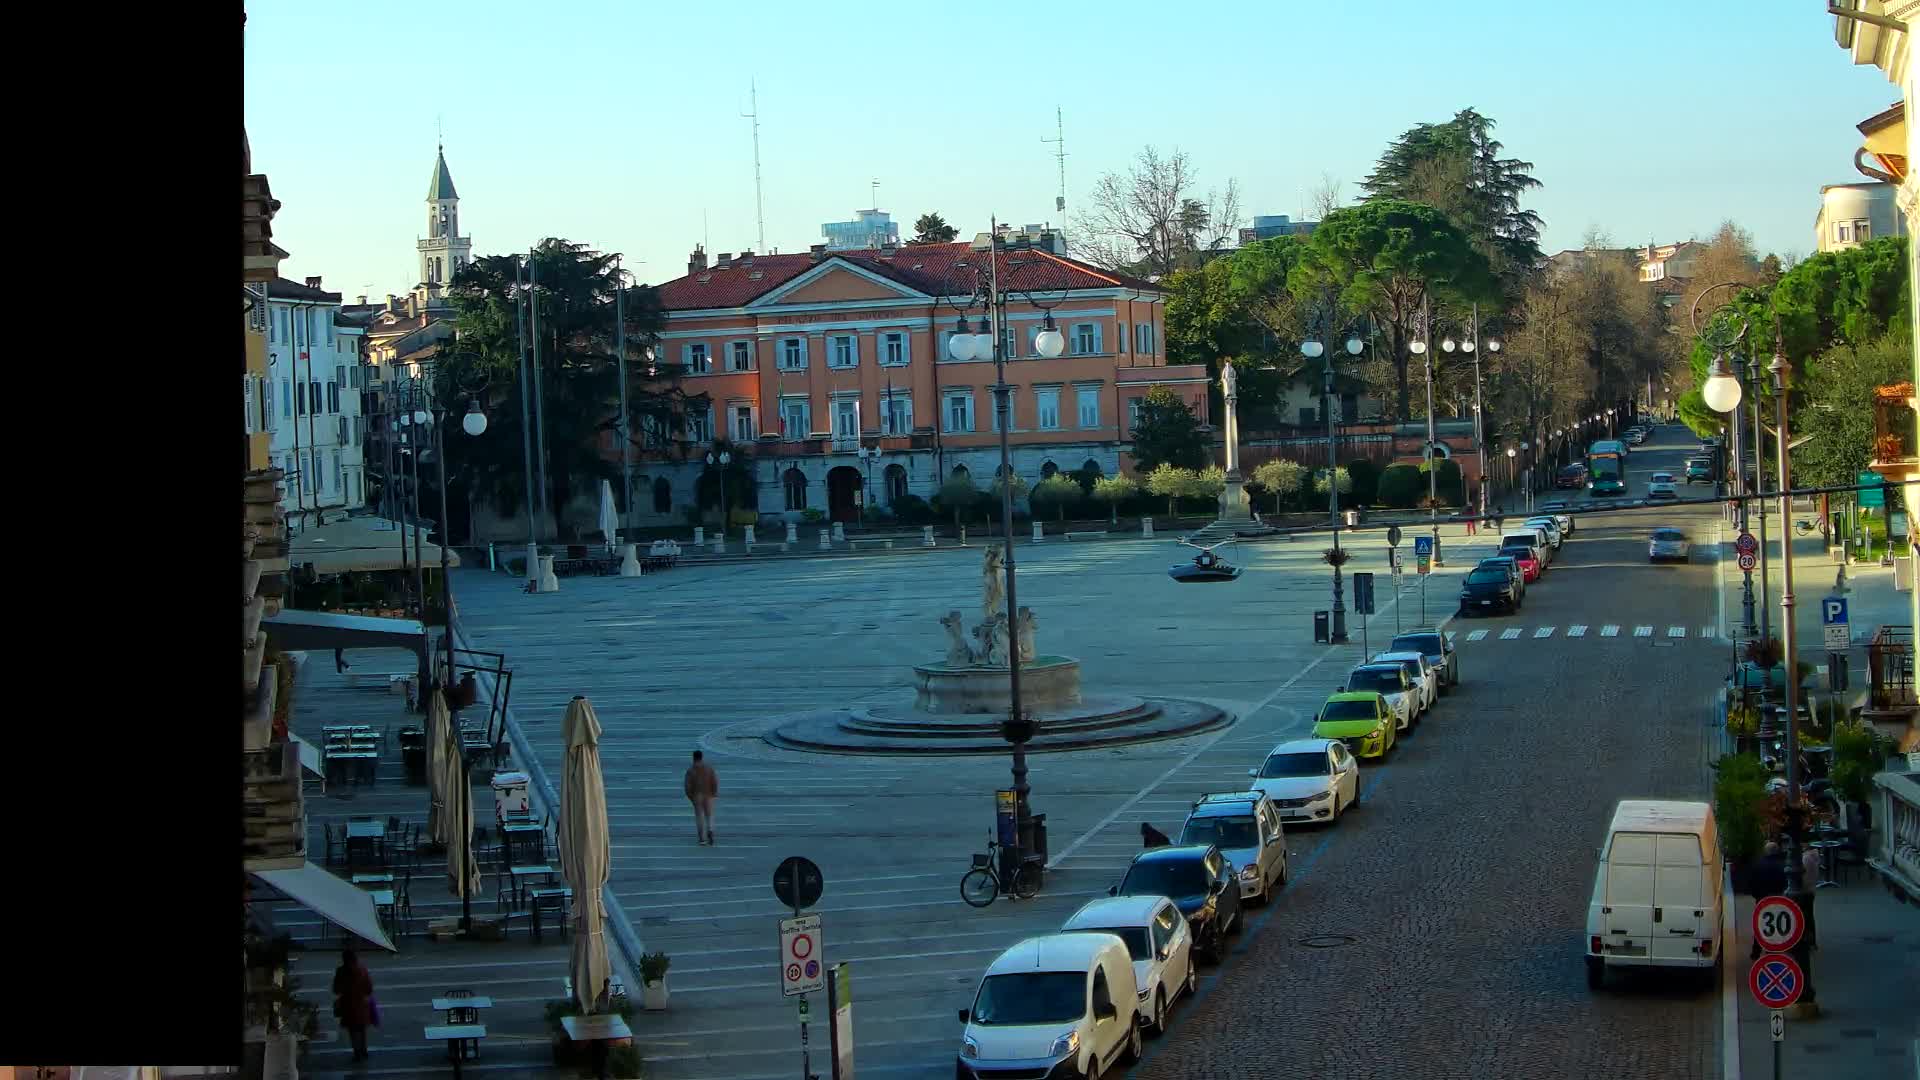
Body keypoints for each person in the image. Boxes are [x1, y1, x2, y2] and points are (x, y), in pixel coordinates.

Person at [332, 948, 377, 1062]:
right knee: (362, 1029)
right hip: (361, 1003)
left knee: (352, 1031)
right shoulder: (362, 970)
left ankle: (357, 1052)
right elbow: (369, 988)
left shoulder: (341, 971)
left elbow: (336, 989)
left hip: (347, 1004)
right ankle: (364, 1050)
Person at [685, 750, 718, 846]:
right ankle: (710, 830)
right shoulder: (709, 768)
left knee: (699, 816)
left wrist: (690, 797)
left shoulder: (690, 770)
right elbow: (714, 780)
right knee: (709, 815)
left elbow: (687, 785)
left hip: (697, 795)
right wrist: (714, 792)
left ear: (693, 758)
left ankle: (702, 839)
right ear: (702, 757)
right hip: (708, 794)